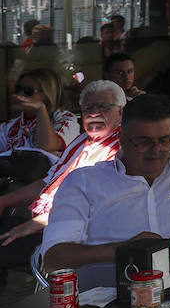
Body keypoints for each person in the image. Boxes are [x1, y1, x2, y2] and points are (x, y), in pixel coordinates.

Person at [41, 92, 170, 271]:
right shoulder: (83, 183)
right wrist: (126, 250)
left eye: (164, 141)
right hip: (107, 293)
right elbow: (54, 258)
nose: (156, 150)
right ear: (122, 140)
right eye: (145, 142)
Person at [0, 80, 124, 265]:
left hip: (79, 237)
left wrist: (32, 225)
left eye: (103, 107)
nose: (93, 113)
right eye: (87, 108)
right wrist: (5, 201)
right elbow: (47, 183)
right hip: (49, 222)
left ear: (120, 111)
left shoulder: (122, 149)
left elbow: (94, 208)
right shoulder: (82, 141)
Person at [0, 68, 80, 163]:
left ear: (48, 94)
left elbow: (47, 146)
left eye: (28, 91)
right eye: (18, 89)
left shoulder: (66, 119)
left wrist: (41, 110)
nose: (19, 94)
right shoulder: (7, 127)